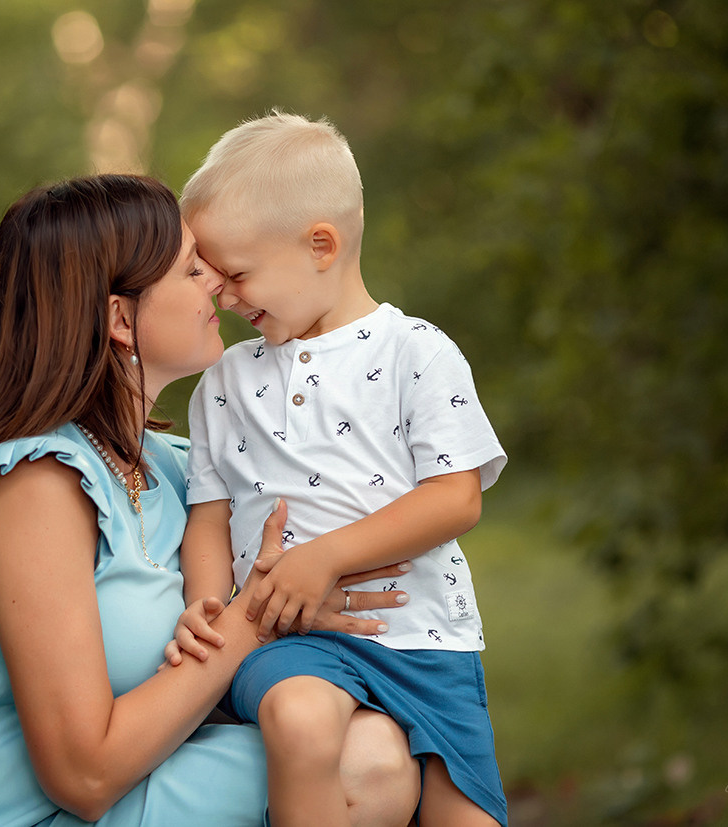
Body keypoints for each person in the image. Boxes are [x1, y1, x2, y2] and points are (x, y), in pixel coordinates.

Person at [0, 173, 420, 827]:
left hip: (131, 796)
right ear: (120, 318)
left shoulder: (177, 468)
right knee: (360, 763)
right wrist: (260, 613)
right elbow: (85, 772)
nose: (217, 281)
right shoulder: (33, 486)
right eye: (192, 269)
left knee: (365, 744)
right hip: (12, 815)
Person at [165, 112, 509, 826]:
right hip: (292, 640)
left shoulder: (418, 352)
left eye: (237, 272)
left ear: (320, 244)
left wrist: (324, 557)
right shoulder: (225, 382)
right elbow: (210, 511)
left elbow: (455, 497)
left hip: (424, 638)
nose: (223, 295)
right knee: (298, 717)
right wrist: (204, 601)